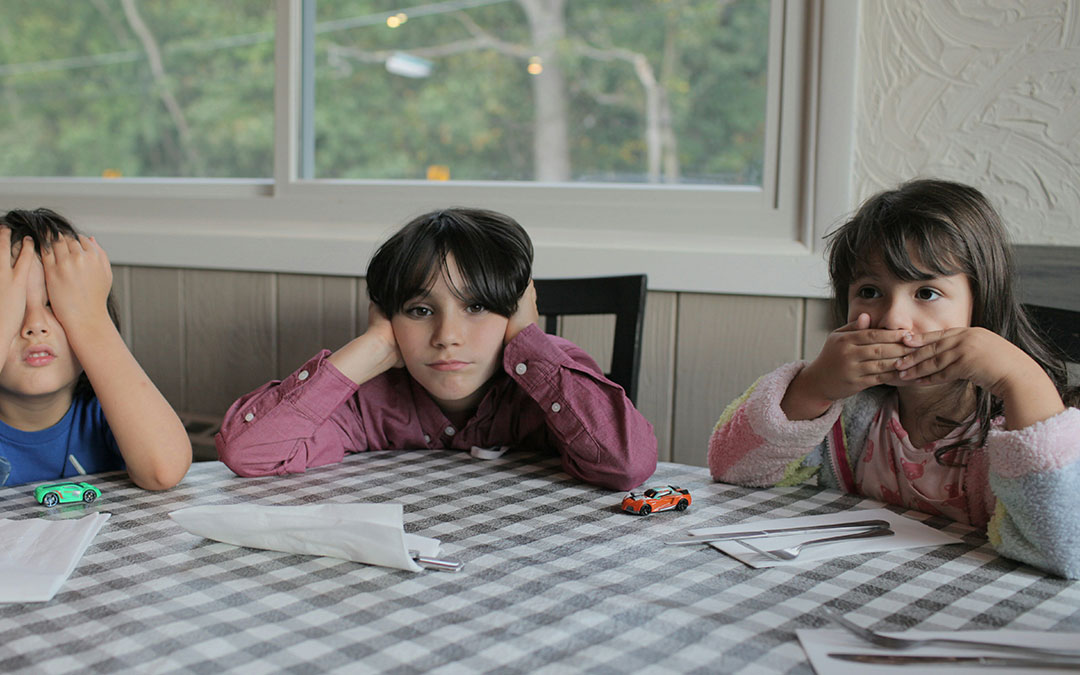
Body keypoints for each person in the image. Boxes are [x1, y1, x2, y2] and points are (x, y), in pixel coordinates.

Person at [707, 179, 1080, 578]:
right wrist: (814, 385)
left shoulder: (1032, 422)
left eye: (927, 293)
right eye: (870, 291)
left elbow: (1065, 546)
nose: (893, 320)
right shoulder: (846, 412)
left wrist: (1022, 378)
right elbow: (732, 470)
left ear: (981, 303)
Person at [217, 208, 656, 490]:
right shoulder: (366, 401)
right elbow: (247, 452)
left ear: (517, 310)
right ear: (387, 318)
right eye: (420, 310)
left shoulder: (550, 375)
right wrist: (369, 348)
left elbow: (628, 464)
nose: (448, 335)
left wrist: (528, 341)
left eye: (478, 306)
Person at [0, 209, 191, 515]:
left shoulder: (110, 410)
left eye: (56, 306)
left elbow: (164, 471)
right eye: (10, 311)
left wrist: (92, 322)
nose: (35, 326)